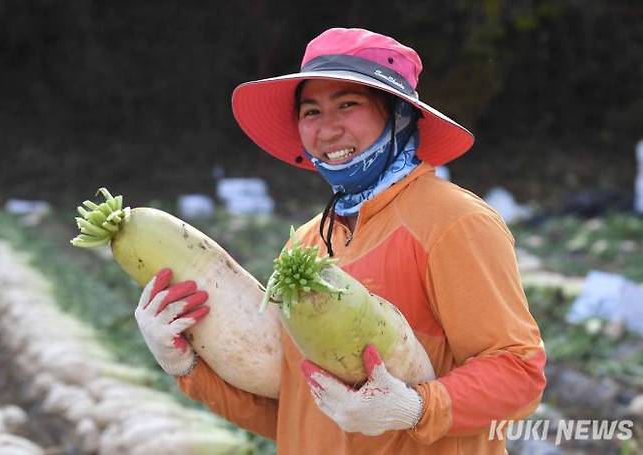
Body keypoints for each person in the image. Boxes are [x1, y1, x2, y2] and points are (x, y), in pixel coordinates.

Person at [134, 28, 546, 454]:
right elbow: (295, 411)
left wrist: (416, 408)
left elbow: (519, 373)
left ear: (400, 115)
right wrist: (185, 365)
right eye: (310, 112)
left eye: (348, 105)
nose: (327, 130)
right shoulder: (306, 244)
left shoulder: (455, 223)